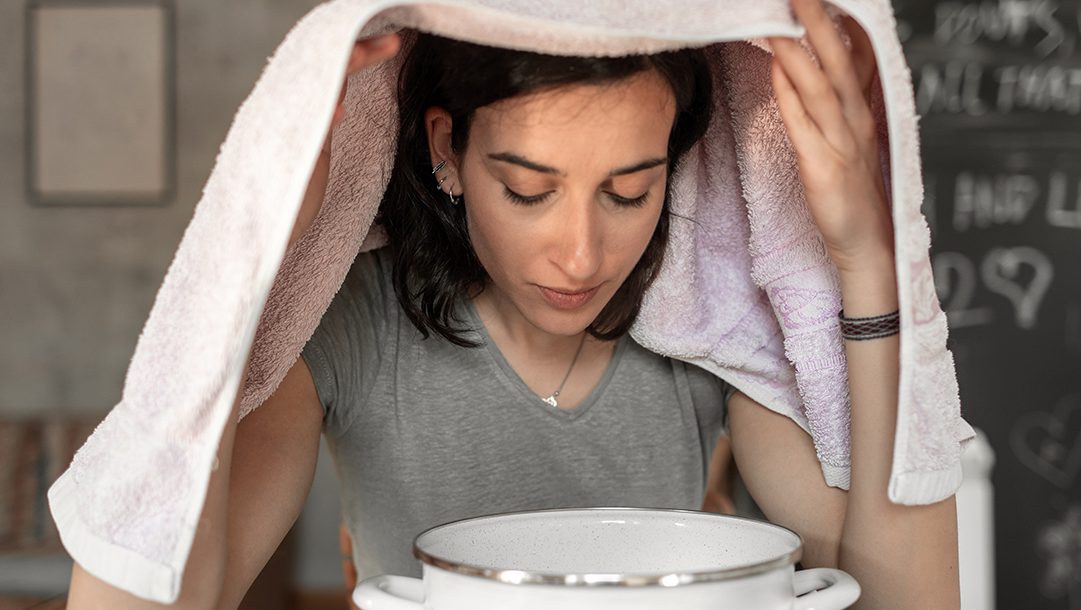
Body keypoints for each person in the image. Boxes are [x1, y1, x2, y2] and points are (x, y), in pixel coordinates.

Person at [66, 1, 959, 607]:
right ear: (446, 151)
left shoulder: (704, 331)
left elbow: (899, 600)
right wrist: (242, 272)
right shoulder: (354, 329)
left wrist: (868, 263)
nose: (581, 255)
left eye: (628, 193)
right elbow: (161, 582)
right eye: (528, 190)